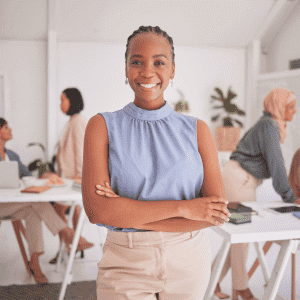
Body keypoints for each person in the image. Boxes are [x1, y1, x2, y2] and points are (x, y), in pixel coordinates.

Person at [82, 25, 231, 300]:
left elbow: (215, 212)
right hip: (125, 262)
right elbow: (98, 212)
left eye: (159, 62)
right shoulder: (102, 126)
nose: (147, 71)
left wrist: (127, 212)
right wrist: (186, 208)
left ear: (172, 69)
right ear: (126, 69)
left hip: (189, 261)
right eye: (136, 62)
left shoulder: (197, 130)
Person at [212, 88, 300, 300]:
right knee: (243, 235)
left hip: (239, 180)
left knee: (238, 237)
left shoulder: (269, 124)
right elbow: (277, 165)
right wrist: (291, 197)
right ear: (278, 106)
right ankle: (241, 288)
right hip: (238, 181)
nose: (295, 111)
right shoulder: (269, 126)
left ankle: (212, 281)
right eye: (291, 106)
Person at [0, 117, 94, 284]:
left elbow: (28, 176)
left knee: (33, 212)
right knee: (37, 203)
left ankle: (35, 263)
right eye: (6, 127)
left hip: (14, 204)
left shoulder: (12, 155)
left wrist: (44, 175)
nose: (10, 130)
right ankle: (69, 234)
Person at [47, 88, 94, 264]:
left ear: (72, 101)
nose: (60, 104)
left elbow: (81, 151)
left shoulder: (78, 121)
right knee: (64, 208)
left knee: (57, 209)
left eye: (62, 100)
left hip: (75, 179)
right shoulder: (72, 121)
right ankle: (72, 244)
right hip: (68, 178)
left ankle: (70, 244)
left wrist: (80, 176)